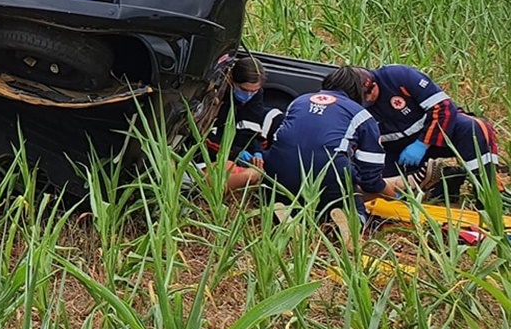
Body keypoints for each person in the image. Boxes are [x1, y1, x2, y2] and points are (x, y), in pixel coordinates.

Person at [264, 66, 396, 223]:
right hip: (329, 173)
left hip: (278, 169)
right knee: (353, 205)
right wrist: (392, 196)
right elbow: (370, 177)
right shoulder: (361, 116)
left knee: (291, 194)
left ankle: (287, 214)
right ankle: (351, 220)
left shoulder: (299, 101)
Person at [361, 64, 498, 199]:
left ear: (374, 84)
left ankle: (488, 193)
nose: (367, 100)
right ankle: (443, 180)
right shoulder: (355, 103)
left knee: (474, 128)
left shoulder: (396, 76)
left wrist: (422, 144)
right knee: (377, 185)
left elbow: (443, 107)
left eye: (369, 94)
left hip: (437, 132)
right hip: (397, 150)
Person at [203, 56, 283, 191]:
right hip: (218, 135)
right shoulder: (217, 95)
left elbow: (251, 123)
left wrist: (256, 150)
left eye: (254, 91)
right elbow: (209, 134)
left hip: (236, 133)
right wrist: (236, 152)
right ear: (231, 80)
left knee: (275, 117)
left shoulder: (255, 95)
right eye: (244, 90)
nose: (249, 95)